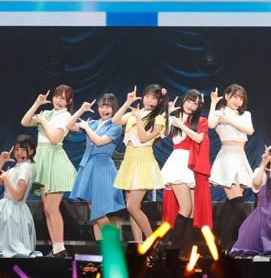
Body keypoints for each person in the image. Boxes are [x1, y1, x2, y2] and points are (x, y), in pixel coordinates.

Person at [20, 85, 83, 258]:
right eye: (57, 96)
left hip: (55, 160)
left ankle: (60, 248)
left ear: (69, 101)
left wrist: (44, 122)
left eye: (63, 98)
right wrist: (37, 104)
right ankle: (56, 248)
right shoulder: (46, 113)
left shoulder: (66, 116)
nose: (58, 100)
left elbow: (55, 139)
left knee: (52, 207)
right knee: (47, 209)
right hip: (42, 160)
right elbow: (25, 122)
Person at [112, 84, 167, 245]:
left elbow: (143, 138)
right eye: (147, 96)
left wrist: (137, 118)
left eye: (154, 98)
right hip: (129, 159)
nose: (149, 100)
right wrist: (127, 103)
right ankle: (139, 245)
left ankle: (153, 242)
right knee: (132, 207)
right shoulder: (135, 112)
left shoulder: (158, 119)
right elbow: (115, 120)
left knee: (132, 206)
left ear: (159, 101)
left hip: (143, 160)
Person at [160, 88, 212, 256]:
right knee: (186, 208)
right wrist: (167, 114)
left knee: (191, 213)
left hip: (191, 165)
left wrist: (182, 125)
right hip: (178, 164)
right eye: (189, 101)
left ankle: (186, 253)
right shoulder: (173, 119)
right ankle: (173, 251)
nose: (191, 105)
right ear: (183, 101)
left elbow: (199, 138)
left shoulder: (200, 121)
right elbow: (163, 134)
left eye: (195, 103)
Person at [68, 93, 126, 240]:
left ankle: (112, 243)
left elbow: (99, 141)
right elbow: (69, 125)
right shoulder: (93, 123)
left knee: (98, 209)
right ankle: (100, 246)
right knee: (94, 209)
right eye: (101, 106)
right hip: (88, 166)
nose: (104, 110)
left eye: (108, 106)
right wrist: (81, 110)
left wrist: (86, 127)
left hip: (102, 167)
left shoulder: (116, 126)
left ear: (114, 108)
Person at [208, 84, 254, 251]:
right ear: (227, 96)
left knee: (232, 204)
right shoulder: (220, 112)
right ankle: (225, 246)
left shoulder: (246, 114)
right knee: (238, 204)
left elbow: (250, 130)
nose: (238, 101)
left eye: (241, 98)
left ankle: (223, 246)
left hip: (240, 154)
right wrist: (213, 104)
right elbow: (211, 125)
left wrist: (230, 120)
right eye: (235, 97)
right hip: (227, 155)